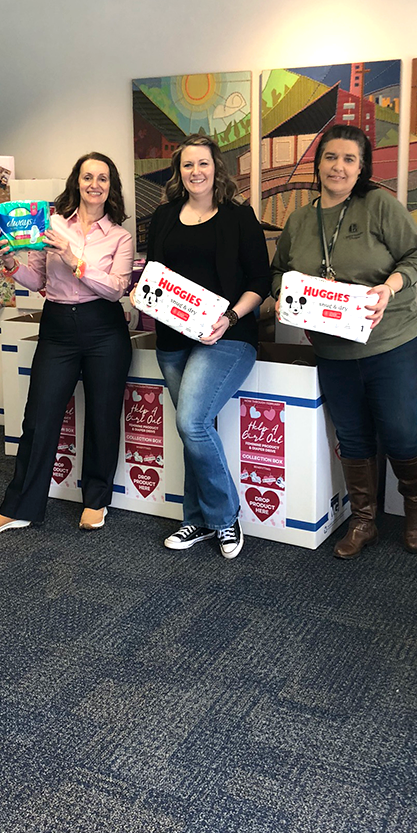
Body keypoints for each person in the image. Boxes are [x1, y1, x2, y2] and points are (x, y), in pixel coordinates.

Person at [271, 124, 417, 559]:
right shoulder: (301, 219)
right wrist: (290, 298)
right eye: (330, 157)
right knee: (354, 436)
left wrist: (391, 287)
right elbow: (277, 274)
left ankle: (416, 507)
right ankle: (364, 520)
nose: (337, 166)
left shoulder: (378, 204)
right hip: (333, 350)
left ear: (361, 168)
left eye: (348, 159)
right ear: (318, 163)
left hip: (391, 344)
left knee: (399, 432)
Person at [0, 152, 134, 536]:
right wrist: (11, 264)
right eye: (87, 176)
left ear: (111, 187)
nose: (94, 184)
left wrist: (74, 258)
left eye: (103, 178)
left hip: (104, 329)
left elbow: (115, 289)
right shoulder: (52, 224)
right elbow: (37, 279)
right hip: (58, 326)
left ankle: (96, 501)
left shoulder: (120, 236)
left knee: (101, 417)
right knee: (39, 418)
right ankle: (20, 507)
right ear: (75, 182)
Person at [142, 133, 270, 559]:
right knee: (195, 428)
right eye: (187, 165)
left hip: (228, 337)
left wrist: (229, 317)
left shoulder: (239, 216)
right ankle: (195, 519)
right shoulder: (162, 217)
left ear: (217, 168)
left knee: (192, 422)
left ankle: (224, 515)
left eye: (203, 164)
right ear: (179, 172)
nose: (195, 172)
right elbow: (154, 276)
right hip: (172, 339)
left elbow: (259, 282)